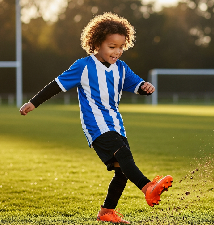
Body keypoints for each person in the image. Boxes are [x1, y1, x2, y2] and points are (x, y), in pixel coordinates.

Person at [19, 12, 173, 224]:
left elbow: (136, 85)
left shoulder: (121, 68)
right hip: (96, 126)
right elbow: (57, 85)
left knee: (121, 172)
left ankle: (107, 212)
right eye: (112, 47)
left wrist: (145, 87)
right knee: (124, 155)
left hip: (115, 124)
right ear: (97, 44)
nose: (117, 51)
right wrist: (33, 102)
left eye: (121, 47)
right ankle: (148, 188)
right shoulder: (83, 66)